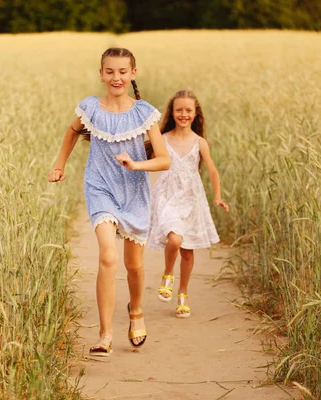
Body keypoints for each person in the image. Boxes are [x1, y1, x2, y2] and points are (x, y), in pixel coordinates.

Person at [48, 48, 170, 356]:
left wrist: (137, 165)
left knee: (134, 265)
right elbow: (71, 133)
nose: (116, 77)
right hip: (100, 187)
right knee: (107, 257)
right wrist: (59, 165)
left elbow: (164, 160)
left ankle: (137, 311)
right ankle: (104, 335)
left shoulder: (145, 113)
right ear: (101, 74)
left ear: (133, 73)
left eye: (122, 71)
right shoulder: (90, 108)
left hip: (134, 191)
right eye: (110, 71)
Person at [147, 90, 229, 318]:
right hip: (168, 196)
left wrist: (218, 196)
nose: (183, 114)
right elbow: (150, 163)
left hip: (192, 199)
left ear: (195, 114)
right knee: (174, 237)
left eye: (188, 111)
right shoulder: (162, 140)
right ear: (172, 113)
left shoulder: (200, 142)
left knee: (188, 250)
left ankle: (183, 293)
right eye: (179, 110)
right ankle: (167, 274)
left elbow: (212, 170)